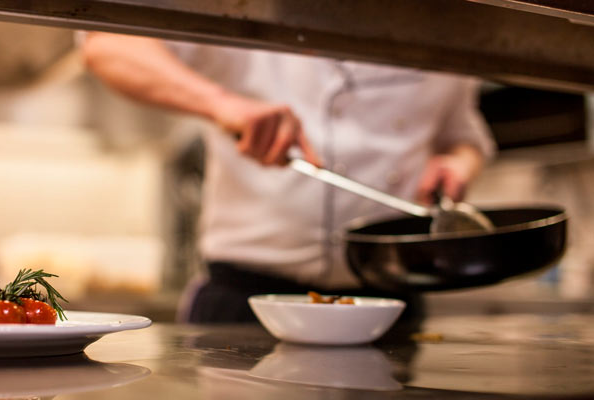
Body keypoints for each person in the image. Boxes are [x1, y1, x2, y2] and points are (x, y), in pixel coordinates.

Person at [81, 33, 495, 323]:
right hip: (246, 301)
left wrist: (458, 164)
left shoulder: (443, 21)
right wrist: (221, 104)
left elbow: (464, 137)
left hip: (391, 304)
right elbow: (108, 45)